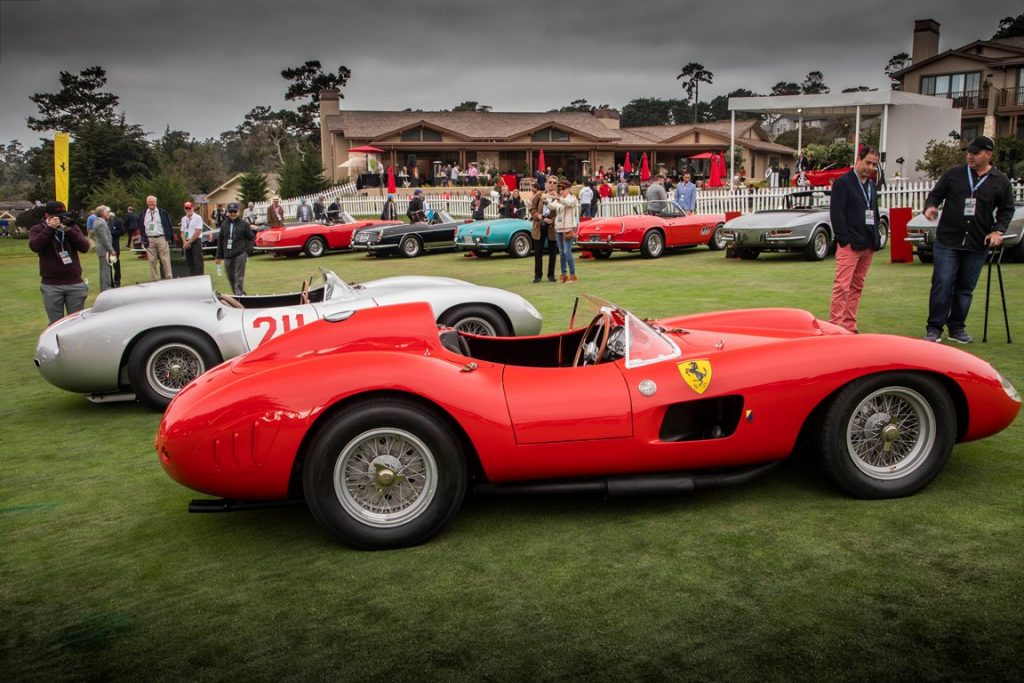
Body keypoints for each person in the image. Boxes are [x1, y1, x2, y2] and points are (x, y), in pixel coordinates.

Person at [922, 135, 1014, 343]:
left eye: (975, 153)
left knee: (965, 288)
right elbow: (936, 194)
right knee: (942, 283)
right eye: (969, 152)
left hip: (976, 242)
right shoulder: (954, 174)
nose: (970, 156)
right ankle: (934, 328)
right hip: (948, 240)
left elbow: (1006, 210)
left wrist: (998, 231)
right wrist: (931, 207)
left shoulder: (1000, 181)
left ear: (988, 154)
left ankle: (957, 328)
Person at [828, 146, 882, 334]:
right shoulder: (843, 183)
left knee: (857, 286)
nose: (870, 167)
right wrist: (844, 240)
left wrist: (876, 238)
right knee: (842, 286)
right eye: (867, 162)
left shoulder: (871, 185)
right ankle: (835, 326)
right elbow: (837, 213)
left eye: (874, 164)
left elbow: (873, 212)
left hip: (868, 243)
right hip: (850, 245)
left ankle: (849, 325)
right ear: (858, 159)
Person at [29, 201, 90, 324]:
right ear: (47, 216)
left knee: (77, 322)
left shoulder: (71, 227)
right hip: (51, 284)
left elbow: (84, 247)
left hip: (74, 282)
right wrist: (50, 229)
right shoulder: (38, 229)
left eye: (62, 216)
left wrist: (68, 230)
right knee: (56, 323)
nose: (60, 219)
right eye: (56, 217)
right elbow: (35, 246)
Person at [214, 203, 254, 296]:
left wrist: (247, 251)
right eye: (231, 211)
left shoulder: (244, 224)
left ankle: (239, 295)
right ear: (227, 212)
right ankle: (239, 293)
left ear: (238, 212)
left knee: (238, 276)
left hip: (240, 254)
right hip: (228, 255)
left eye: (234, 211)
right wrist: (218, 256)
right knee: (230, 276)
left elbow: (251, 238)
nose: (233, 214)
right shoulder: (224, 224)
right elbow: (220, 240)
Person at [549, 179, 579, 283]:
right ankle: (564, 275)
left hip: (568, 228)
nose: (561, 191)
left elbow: (568, 204)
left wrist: (558, 198)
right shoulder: (559, 199)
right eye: (560, 189)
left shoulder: (573, 198)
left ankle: (572, 275)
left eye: (563, 189)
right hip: (558, 228)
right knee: (561, 253)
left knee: (567, 252)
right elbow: (551, 207)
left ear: (568, 189)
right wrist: (548, 198)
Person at [529, 176, 558, 282]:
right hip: (539, 226)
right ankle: (538, 276)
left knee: (552, 253)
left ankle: (551, 275)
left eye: (554, 183)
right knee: (538, 253)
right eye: (550, 182)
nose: (552, 184)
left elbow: (562, 213)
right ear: (546, 183)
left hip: (552, 227)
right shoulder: (539, 194)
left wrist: (552, 220)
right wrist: (540, 216)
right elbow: (532, 208)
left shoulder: (558, 198)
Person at [140, 195, 174, 280]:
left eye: (152, 201)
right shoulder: (143, 213)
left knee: (165, 259)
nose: (151, 203)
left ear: (156, 202)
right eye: (149, 202)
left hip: (161, 238)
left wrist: (170, 237)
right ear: (147, 203)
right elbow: (141, 227)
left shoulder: (162, 212)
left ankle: (169, 278)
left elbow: (169, 225)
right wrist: (143, 239)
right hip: (149, 239)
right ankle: (154, 279)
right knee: (152, 261)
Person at [91, 205, 116, 292]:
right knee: (105, 270)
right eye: (106, 212)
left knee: (105, 270)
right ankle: (106, 289)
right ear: (102, 213)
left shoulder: (100, 222)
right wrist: (111, 250)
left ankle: (105, 288)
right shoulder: (100, 223)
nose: (108, 213)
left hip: (103, 249)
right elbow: (104, 239)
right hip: (104, 249)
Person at [181, 201, 205, 276]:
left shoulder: (198, 217)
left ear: (192, 208)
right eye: (186, 208)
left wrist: (190, 242)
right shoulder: (183, 219)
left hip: (195, 241)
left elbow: (198, 231)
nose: (188, 209)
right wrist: (185, 242)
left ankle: (200, 277)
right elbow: (182, 232)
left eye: (189, 208)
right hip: (187, 242)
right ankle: (192, 277)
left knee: (197, 261)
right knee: (189, 262)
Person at [107, 209, 124, 287]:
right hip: (106, 246)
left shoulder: (117, 222)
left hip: (114, 245)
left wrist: (111, 232)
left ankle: (117, 281)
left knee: (116, 263)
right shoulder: (103, 222)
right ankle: (110, 282)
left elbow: (121, 232)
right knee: (107, 265)